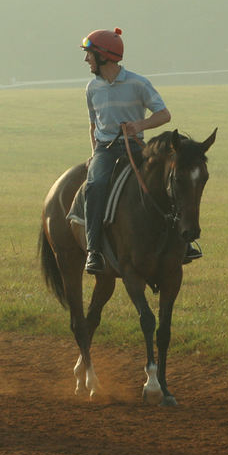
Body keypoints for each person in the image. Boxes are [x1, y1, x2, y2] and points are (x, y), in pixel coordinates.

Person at [81, 28, 200, 274]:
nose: (86, 60)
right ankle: (94, 251)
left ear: (104, 56)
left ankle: (184, 242)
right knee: (95, 185)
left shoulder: (138, 83)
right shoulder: (92, 88)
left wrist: (139, 125)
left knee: (166, 182)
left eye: (89, 55)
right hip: (106, 148)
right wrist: (94, 153)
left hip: (136, 146)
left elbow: (164, 115)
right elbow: (93, 126)